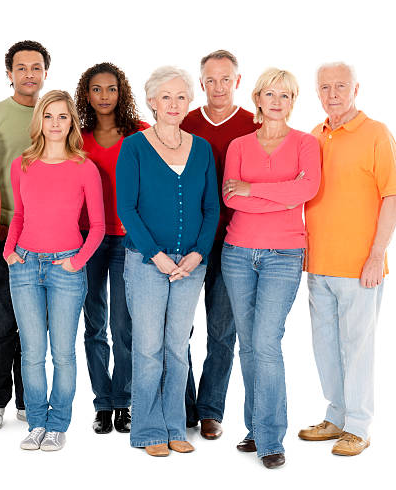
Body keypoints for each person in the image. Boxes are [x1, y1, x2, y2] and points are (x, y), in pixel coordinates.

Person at [298, 62, 396, 456]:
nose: (333, 93)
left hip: (362, 266)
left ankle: (358, 426)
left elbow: (392, 196)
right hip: (317, 262)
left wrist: (378, 255)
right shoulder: (313, 137)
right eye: (325, 87)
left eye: (341, 85)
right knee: (325, 345)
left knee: (357, 346)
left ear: (356, 87)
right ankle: (336, 415)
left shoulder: (376, 133)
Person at [117, 66, 220, 457]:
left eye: (180, 97)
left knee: (177, 347)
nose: (173, 104)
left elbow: (211, 208)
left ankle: (175, 425)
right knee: (147, 348)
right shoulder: (135, 147)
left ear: (188, 102)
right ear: (152, 103)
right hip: (146, 263)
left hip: (191, 265)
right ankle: (147, 428)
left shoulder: (202, 149)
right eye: (166, 97)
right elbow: (127, 207)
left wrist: (197, 254)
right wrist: (156, 256)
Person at [221, 68, 321, 468]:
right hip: (238, 252)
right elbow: (231, 199)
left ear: (293, 101)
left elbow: (307, 189)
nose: (277, 101)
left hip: (283, 254)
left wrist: (255, 190)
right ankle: (254, 427)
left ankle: (270, 438)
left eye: (286, 95)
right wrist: (281, 194)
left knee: (265, 342)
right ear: (258, 99)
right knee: (248, 344)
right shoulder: (239, 144)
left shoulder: (305, 144)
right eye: (270, 94)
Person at [5, 90, 105, 452]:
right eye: (49, 116)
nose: (56, 123)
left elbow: (97, 226)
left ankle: (58, 423)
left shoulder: (84, 167)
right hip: (25, 265)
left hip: (66, 268)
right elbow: (19, 215)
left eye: (63, 117)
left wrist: (76, 262)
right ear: (40, 122)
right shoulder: (22, 165)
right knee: (32, 351)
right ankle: (36, 423)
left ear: (72, 122)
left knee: (63, 352)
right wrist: (8, 251)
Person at [180, 49, 259, 439]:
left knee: (223, 330)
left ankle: (211, 409)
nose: (218, 86)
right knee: (179, 329)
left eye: (225, 79)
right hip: (190, 242)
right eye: (210, 79)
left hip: (236, 244)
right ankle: (185, 404)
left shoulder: (254, 124)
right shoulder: (187, 121)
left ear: (238, 82)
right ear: (201, 83)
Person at [0, 40, 51, 431]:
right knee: (4, 318)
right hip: (6, 232)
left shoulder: (54, 115)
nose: (28, 74)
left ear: (44, 73)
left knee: (35, 322)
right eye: (21, 67)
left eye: (35, 67)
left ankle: (29, 397)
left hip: (50, 237)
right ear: (9, 73)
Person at [74, 62, 149, 435]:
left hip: (128, 239)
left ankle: (124, 401)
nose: (104, 96)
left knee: (124, 324)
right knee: (93, 324)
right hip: (86, 237)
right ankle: (102, 403)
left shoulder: (141, 134)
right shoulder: (78, 138)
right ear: (86, 95)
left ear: (122, 94)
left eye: (111, 89)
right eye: (97, 89)